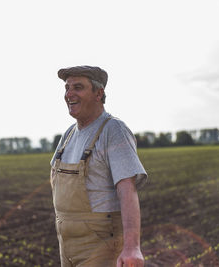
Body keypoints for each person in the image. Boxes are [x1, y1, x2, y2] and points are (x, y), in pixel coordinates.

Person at [50, 65, 148, 267]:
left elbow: (127, 190)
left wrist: (132, 247)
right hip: (66, 245)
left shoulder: (113, 130)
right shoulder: (68, 135)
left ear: (99, 93)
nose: (69, 94)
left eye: (78, 87)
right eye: (67, 88)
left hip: (100, 246)